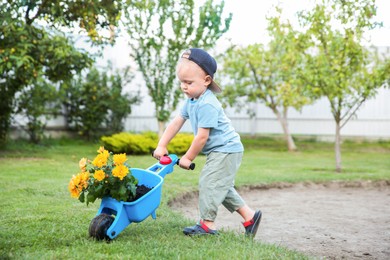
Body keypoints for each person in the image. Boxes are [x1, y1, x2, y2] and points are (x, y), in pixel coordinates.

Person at [153, 48, 261, 237]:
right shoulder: (192, 101)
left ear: (206, 80)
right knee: (220, 185)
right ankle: (250, 217)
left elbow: (202, 137)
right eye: (181, 82)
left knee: (209, 183)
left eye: (188, 82)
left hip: (227, 149)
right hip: (222, 150)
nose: (184, 87)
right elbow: (176, 122)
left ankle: (207, 225)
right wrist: (162, 144)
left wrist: (188, 157)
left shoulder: (207, 104)